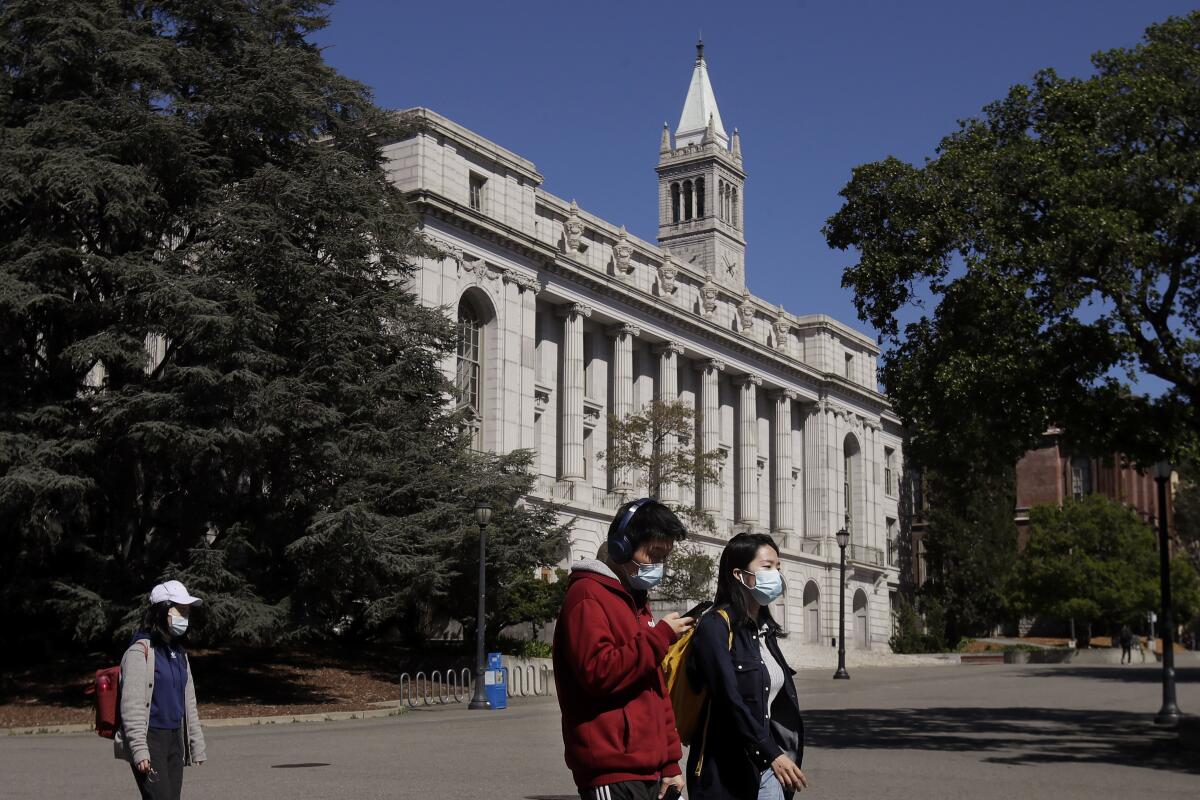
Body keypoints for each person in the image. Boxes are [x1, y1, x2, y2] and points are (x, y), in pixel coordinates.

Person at [553, 498, 694, 800]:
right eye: (653, 555)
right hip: (611, 768)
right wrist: (660, 638)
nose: (658, 566)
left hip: (650, 769)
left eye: (664, 558)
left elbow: (656, 691)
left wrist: (671, 763)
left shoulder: (636, 602)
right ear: (621, 547)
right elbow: (598, 672)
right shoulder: (587, 596)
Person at [687, 532, 806, 800]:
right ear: (739, 575)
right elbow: (729, 699)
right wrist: (771, 752)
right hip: (727, 772)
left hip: (768, 769)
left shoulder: (765, 631)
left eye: (778, 567)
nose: (776, 575)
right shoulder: (714, 626)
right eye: (767, 567)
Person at [115, 580, 207, 800]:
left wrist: (196, 743)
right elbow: (131, 705)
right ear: (162, 610)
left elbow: (188, 701)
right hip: (150, 739)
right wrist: (139, 749)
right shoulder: (140, 652)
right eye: (180, 610)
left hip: (175, 738)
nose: (185, 617)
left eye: (187, 612)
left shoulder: (179, 653)